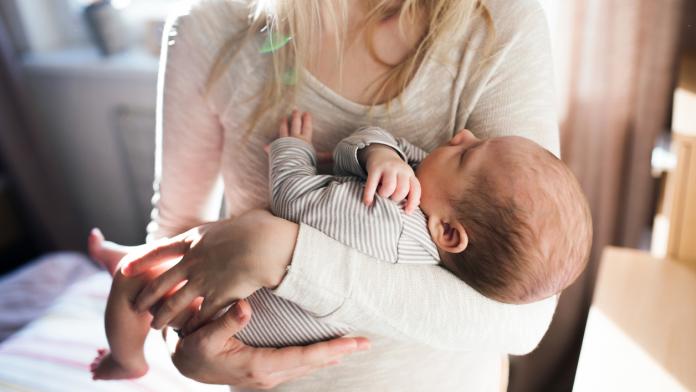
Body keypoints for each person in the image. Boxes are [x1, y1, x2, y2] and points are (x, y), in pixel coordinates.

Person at [90, 0, 565, 389]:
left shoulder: (495, 21)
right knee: (138, 272)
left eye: (465, 153)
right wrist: (187, 351)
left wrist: (276, 252)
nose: (458, 139)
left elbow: (525, 320)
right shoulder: (211, 27)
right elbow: (175, 230)